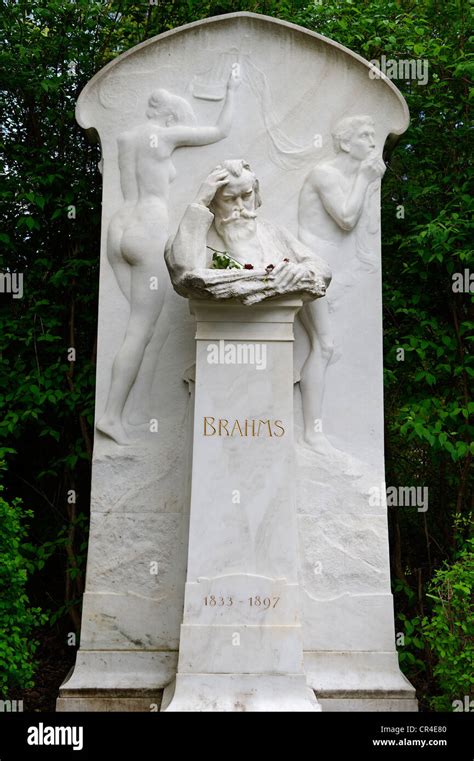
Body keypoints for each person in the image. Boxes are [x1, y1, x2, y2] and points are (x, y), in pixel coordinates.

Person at [97, 67, 241, 445]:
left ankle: (138, 409)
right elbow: (219, 131)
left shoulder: (126, 137)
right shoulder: (162, 134)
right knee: (140, 329)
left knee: (149, 327)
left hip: (120, 228)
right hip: (148, 226)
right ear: (172, 117)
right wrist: (231, 90)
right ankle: (111, 416)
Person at [297, 115, 385, 453]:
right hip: (314, 264)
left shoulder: (347, 176)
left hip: (330, 265)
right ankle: (312, 432)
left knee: (324, 346)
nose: (373, 142)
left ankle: (309, 430)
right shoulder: (325, 174)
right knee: (325, 344)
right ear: (346, 143)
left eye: (374, 136)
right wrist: (365, 177)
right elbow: (346, 218)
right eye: (365, 135)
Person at [166, 159, 331, 304]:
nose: (240, 206)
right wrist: (199, 202)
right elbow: (184, 275)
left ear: (256, 194)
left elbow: (322, 269)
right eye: (229, 199)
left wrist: (300, 271)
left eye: (246, 196)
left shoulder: (274, 233)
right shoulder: (191, 238)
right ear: (213, 202)